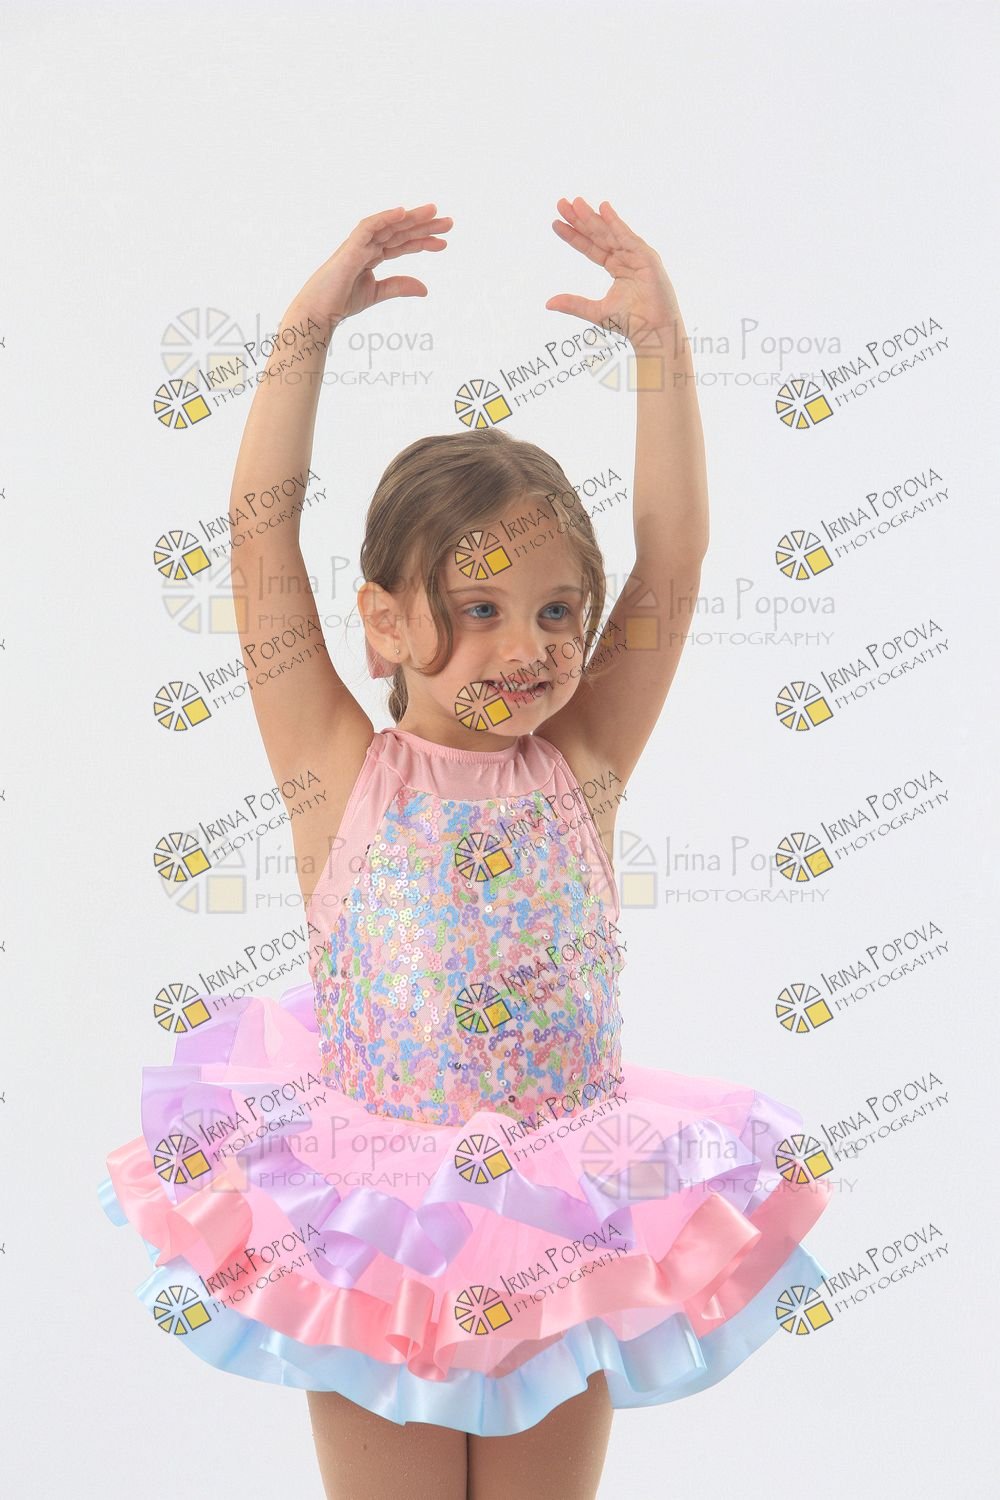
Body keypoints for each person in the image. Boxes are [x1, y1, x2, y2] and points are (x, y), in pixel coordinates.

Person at [99, 199, 833, 1499]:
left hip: (564, 1220)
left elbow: (677, 552)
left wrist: (660, 348)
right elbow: (258, 537)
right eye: (479, 607)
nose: (528, 645)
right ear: (384, 623)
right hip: (381, 1222)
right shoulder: (343, 771)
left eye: (558, 611)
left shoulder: (581, 767)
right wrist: (309, 331)